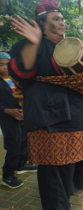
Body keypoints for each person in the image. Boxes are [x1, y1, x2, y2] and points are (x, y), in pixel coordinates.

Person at [8, 0, 83, 209]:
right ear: (42, 24)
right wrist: (33, 43)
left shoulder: (70, 45)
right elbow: (22, 72)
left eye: (62, 19)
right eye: (56, 19)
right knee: (54, 172)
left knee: (79, 163)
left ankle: (76, 184)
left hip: (81, 115)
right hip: (52, 120)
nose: (62, 23)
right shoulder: (27, 46)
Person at [0, 52, 37, 189]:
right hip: (8, 118)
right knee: (13, 145)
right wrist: (7, 111)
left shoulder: (13, 79)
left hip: (22, 115)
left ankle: (21, 165)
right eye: (1, 64)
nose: (5, 67)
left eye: (7, 64)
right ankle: (7, 176)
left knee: (24, 140)